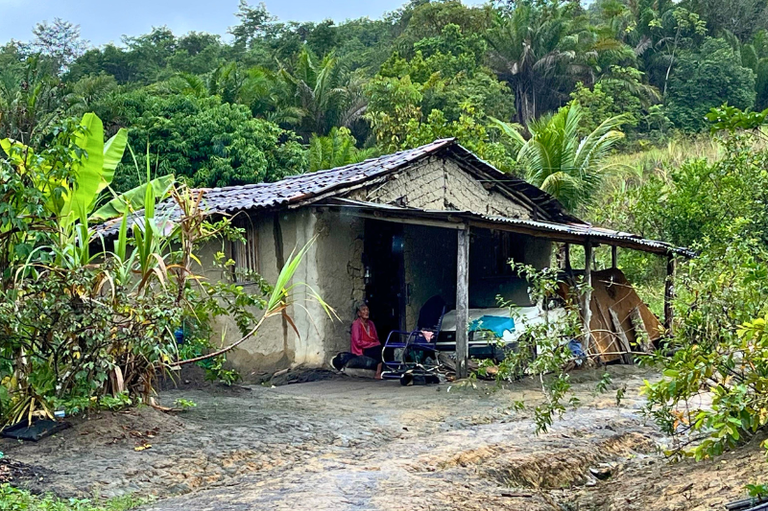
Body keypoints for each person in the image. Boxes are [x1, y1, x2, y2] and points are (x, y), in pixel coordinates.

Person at [351, 303, 383, 379]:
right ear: (359, 313)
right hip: (362, 349)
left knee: (382, 348)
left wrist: (374, 344)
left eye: (367, 310)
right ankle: (378, 373)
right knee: (378, 350)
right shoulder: (356, 324)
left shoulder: (371, 323)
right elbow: (358, 342)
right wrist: (371, 344)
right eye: (363, 310)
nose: (366, 312)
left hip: (371, 346)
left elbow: (376, 338)